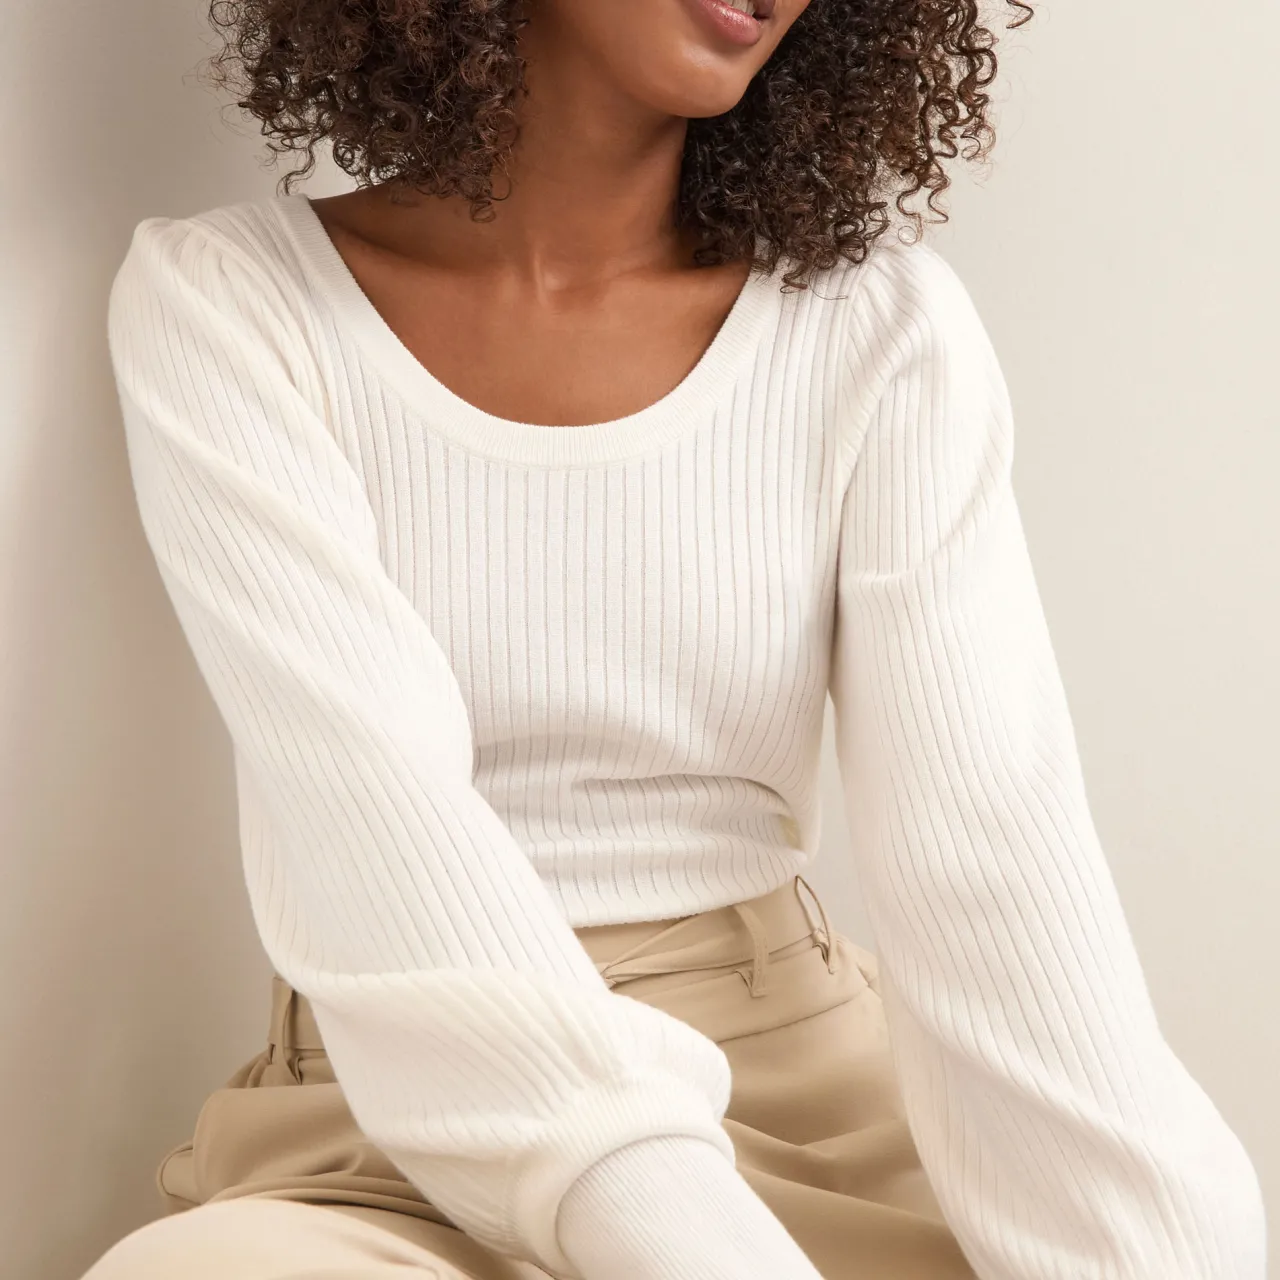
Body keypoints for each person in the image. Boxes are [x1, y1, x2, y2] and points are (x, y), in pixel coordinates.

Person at [83, 0, 1265, 1277]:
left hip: (809, 1102)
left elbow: (990, 850)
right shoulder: (233, 303)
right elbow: (370, 823)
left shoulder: (876, 329)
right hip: (387, 1121)